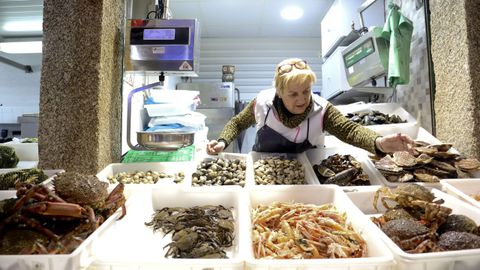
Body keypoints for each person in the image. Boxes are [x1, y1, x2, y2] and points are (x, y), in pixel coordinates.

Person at [206, 58, 415, 155]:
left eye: (306, 91)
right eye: (293, 94)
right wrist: (223, 142)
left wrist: (378, 143)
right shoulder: (261, 102)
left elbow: (350, 131)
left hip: (308, 174)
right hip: (263, 171)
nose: (302, 99)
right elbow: (237, 122)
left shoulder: (322, 109)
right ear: (279, 92)